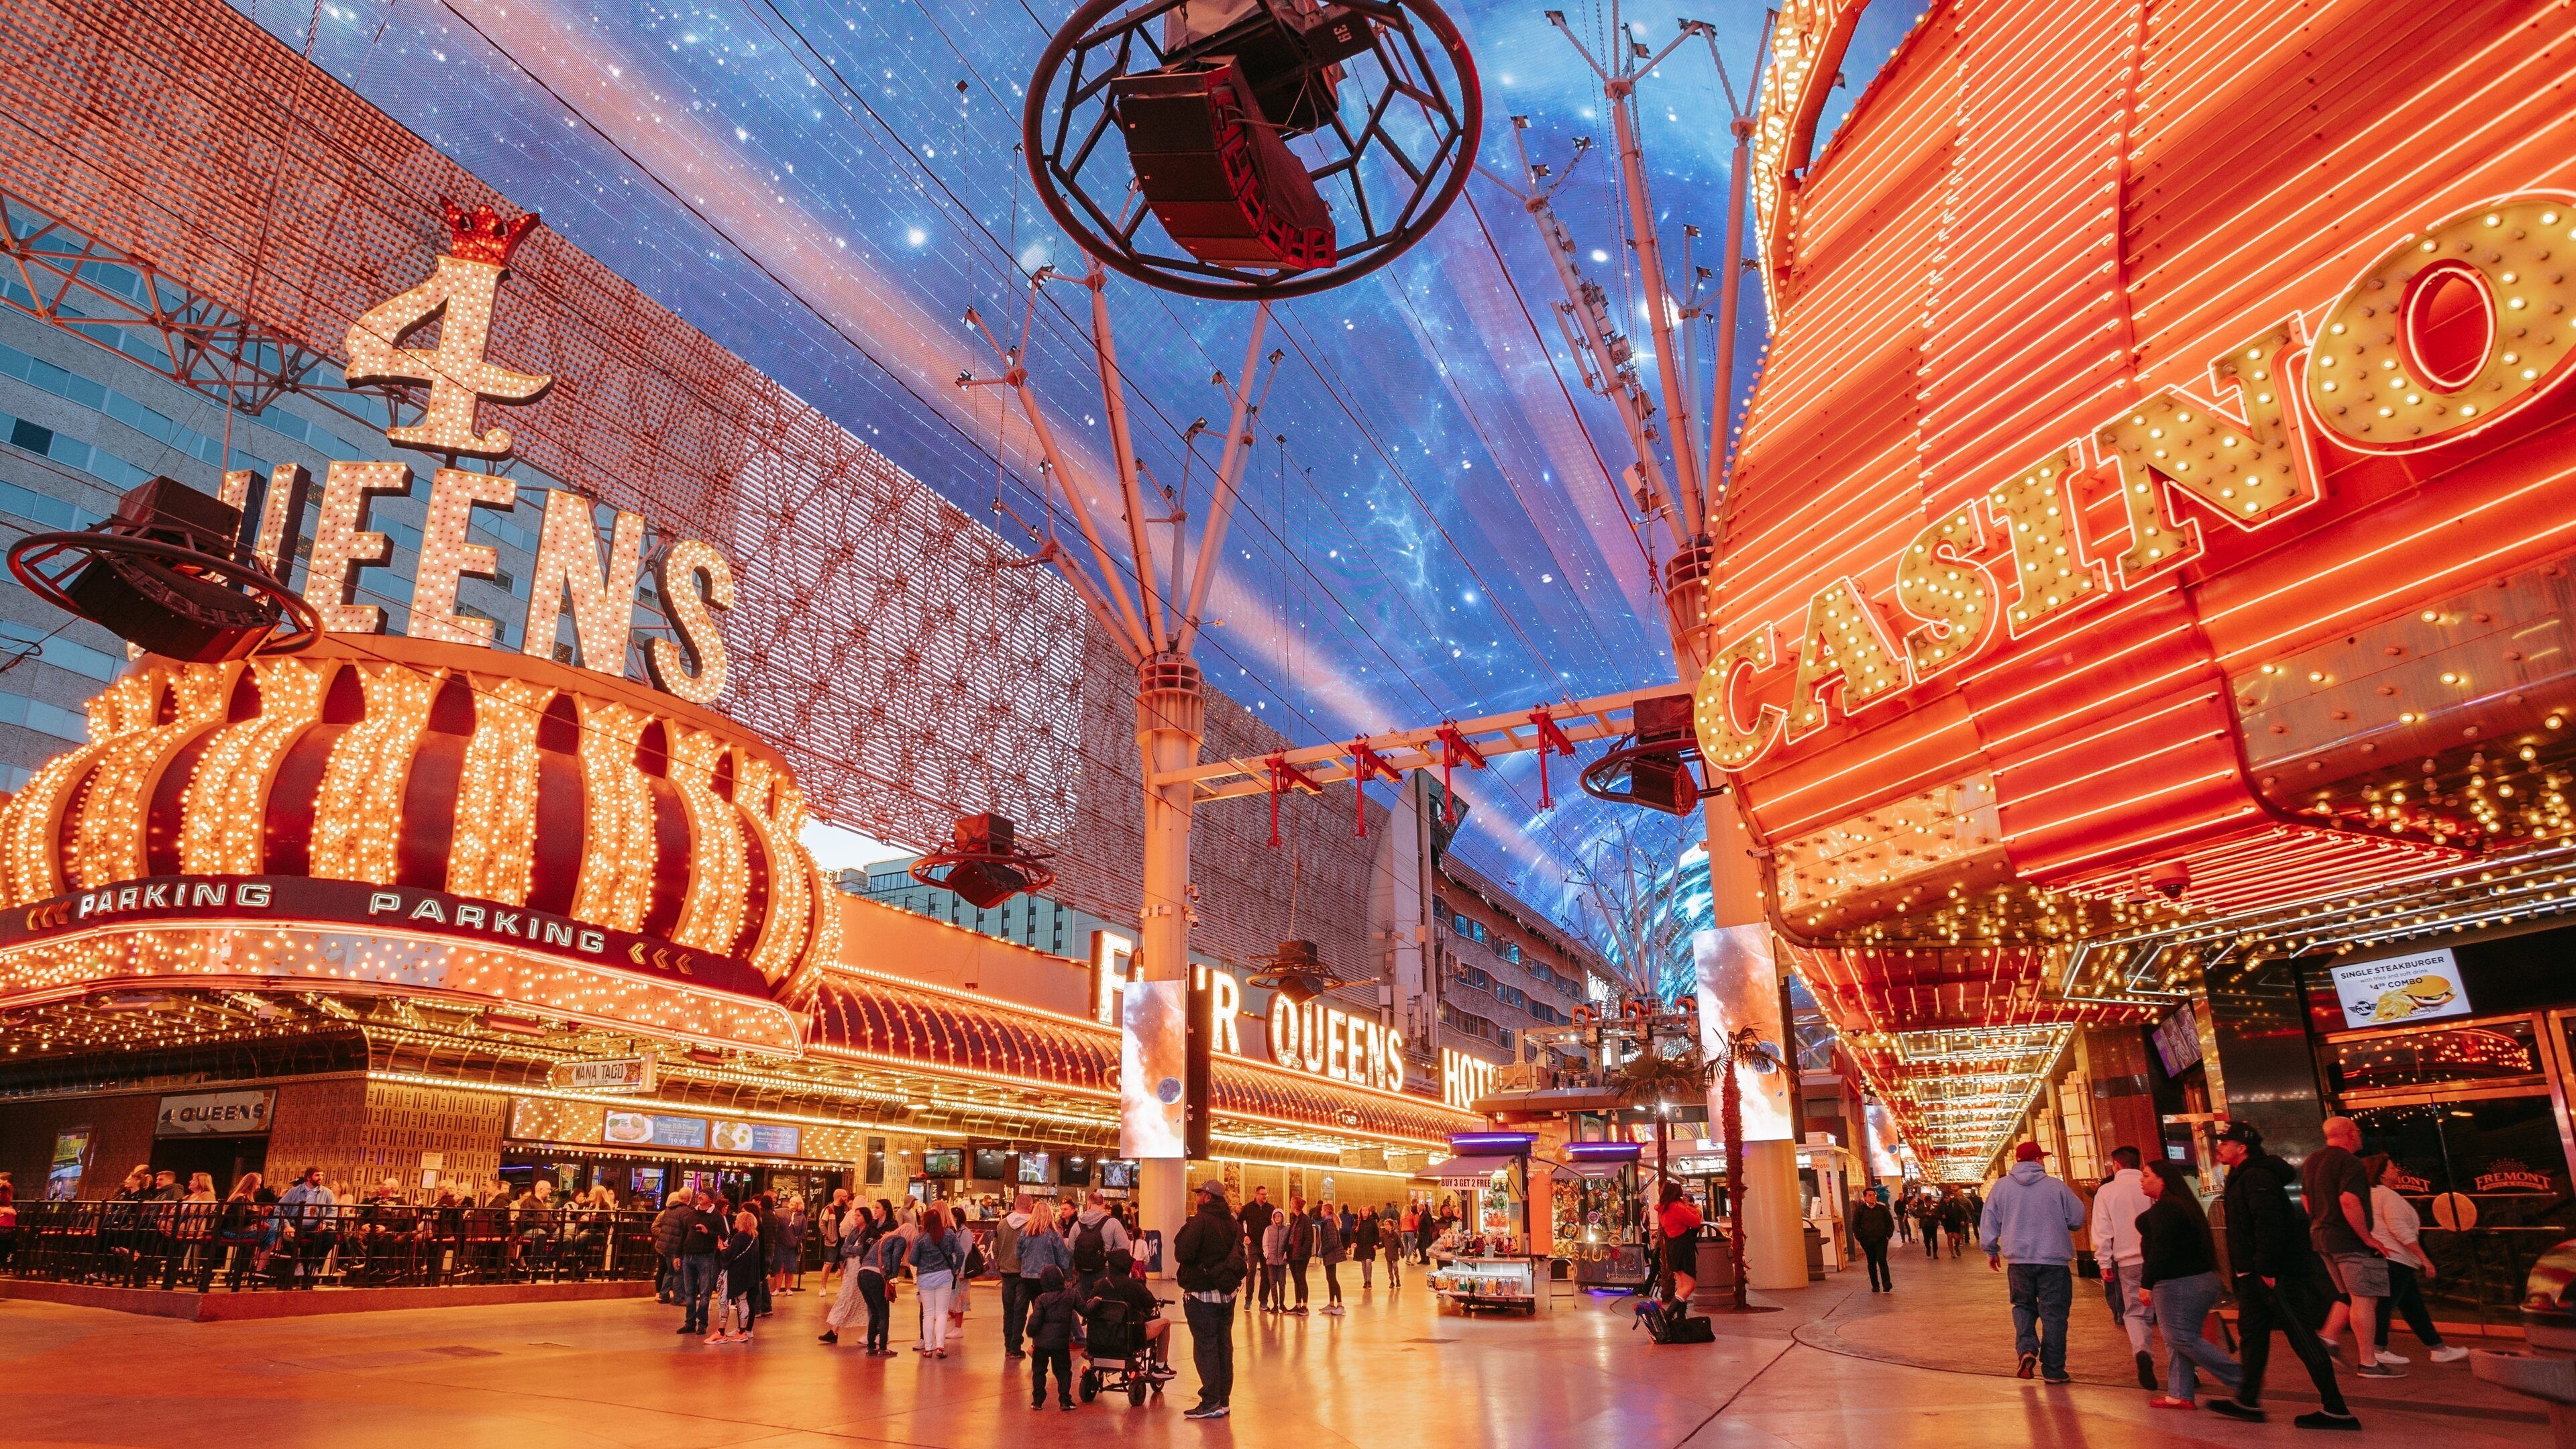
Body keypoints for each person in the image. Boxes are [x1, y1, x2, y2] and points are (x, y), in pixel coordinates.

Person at [2208, 1120, 2357, 1428]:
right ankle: (2247, 1401)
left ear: (2242, 1147)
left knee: (2302, 1337)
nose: (2219, 1147)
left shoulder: (2257, 1177)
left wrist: (2267, 1269)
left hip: (2274, 1275)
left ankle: (2337, 1409)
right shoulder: (2241, 1176)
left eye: (2224, 1142)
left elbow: (2269, 1223)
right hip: (2253, 1275)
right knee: (2252, 1337)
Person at [1978, 1141, 2088, 1385]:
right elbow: (2077, 1218)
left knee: (2023, 1306)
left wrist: (1991, 1250)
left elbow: (1989, 1221)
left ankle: (2026, 1349)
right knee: (2054, 1315)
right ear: (2039, 1160)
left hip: (2018, 1261)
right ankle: (2054, 1370)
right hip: (2054, 1262)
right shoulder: (2056, 1187)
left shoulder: (2002, 1187)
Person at [2135, 1159, 2239, 1410]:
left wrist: (2146, 1283)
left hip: (2178, 1283)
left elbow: (2162, 1248)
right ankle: (2180, 1393)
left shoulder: (2167, 1208)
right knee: (2178, 1339)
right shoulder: (2180, 1205)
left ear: (2163, 1179)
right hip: (2195, 1281)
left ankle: (2242, 1379)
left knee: (2180, 1337)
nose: (2142, 1179)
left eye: (2147, 1175)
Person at [2305, 1116, 2400, 1379]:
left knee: (2349, 1294)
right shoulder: (2351, 1163)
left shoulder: (2313, 1160)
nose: (2360, 1136)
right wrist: (2368, 1239)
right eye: (2357, 1131)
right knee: (2364, 1299)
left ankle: (2328, 1339)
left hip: (2322, 1239)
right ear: (2349, 1134)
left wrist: (2320, 1220)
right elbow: (2349, 1201)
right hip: (2348, 1241)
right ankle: (2369, 1362)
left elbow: (2305, 1197)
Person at [2364, 1153, 2468, 1364]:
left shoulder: (2368, 1195)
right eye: (2392, 1168)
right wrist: (2424, 1259)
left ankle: (2437, 1347)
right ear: (2382, 1174)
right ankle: (2378, 1348)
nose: (2397, 1171)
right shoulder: (2387, 1196)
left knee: (2413, 1306)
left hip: (2388, 1257)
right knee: (2386, 1304)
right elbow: (2400, 1230)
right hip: (2396, 1258)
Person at [1173, 1178, 1247, 1420]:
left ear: (1207, 1197)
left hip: (1202, 1294)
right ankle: (1223, 1400)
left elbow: (1182, 1252)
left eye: (1199, 1195)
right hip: (1227, 1293)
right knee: (1224, 1345)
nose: (1197, 1199)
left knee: (1205, 1346)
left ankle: (1210, 1401)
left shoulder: (1201, 1221)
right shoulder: (1233, 1222)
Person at [2092, 1145, 2158, 1390]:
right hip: (2157, 1258)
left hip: (2127, 1261)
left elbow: (2102, 1230)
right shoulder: (2150, 1186)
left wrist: (2104, 1262)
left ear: (2116, 1165)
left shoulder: (2106, 1191)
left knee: (2134, 1312)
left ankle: (2142, 1351)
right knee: (2168, 1314)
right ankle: (2186, 1369)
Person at [911, 1203, 970, 1358]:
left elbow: (912, 1259)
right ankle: (940, 1347)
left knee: (928, 1314)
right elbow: (960, 1253)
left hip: (925, 1278)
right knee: (942, 1313)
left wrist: (924, 1264)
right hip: (945, 1276)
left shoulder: (920, 1238)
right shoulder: (949, 1234)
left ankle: (928, 1348)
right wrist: (956, 1269)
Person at [1024, 1264, 1083, 1410]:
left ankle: (1037, 1401)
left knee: (1039, 1371)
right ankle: (1065, 1400)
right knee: (1063, 1371)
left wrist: (1031, 1332)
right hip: (1060, 1342)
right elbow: (1085, 1310)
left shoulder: (1041, 1299)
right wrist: (1095, 1302)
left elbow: (1034, 1321)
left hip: (1041, 1344)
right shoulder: (1070, 1295)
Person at [853, 1210, 906, 1355]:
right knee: (883, 1313)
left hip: (862, 1274)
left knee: (874, 1313)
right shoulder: (900, 1240)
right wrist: (892, 1277)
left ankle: (871, 1347)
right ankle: (883, 1348)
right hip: (876, 1276)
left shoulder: (881, 1239)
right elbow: (895, 1258)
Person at [276, 1165, 337, 1288]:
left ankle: (314, 1265)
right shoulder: (294, 1191)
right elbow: (280, 1208)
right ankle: (295, 1268)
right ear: (308, 1177)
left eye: (322, 1175)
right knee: (287, 1240)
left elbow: (333, 1210)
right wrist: (287, 1226)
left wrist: (325, 1222)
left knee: (330, 1237)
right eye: (317, 1175)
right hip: (296, 1225)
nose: (321, 1178)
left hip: (316, 1226)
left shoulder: (327, 1192)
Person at [709, 1207, 761, 1344]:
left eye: (737, 1220)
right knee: (743, 1301)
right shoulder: (753, 1237)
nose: (735, 1221)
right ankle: (743, 1331)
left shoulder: (739, 1237)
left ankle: (721, 1332)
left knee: (723, 1300)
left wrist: (722, 1249)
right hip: (746, 1274)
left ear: (743, 1222)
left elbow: (729, 1255)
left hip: (734, 1274)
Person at [677, 1191, 722, 1336]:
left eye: (704, 1194)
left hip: (705, 1257)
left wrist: (707, 1232)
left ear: (711, 1199)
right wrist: (678, 1255)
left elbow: (724, 1235)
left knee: (704, 1293)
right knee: (689, 1292)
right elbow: (684, 1234)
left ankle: (702, 1324)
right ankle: (689, 1322)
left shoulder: (716, 1216)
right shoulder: (692, 1213)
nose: (700, 1196)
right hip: (688, 1256)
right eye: (700, 1194)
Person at [1069, 1191, 1130, 1300]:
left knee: (1086, 1305)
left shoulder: (1077, 1225)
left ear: (1088, 1205)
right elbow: (1125, 1248)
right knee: (1102, 1304)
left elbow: (1071, 1249)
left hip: (1083, 1272)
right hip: (1105, 1270)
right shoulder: (1113, 1223)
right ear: (1103, 1205)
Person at [992, 1193, 1032, 1358]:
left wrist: (999, 1262)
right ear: (1030, 1206)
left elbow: (995, 1247)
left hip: (1006, 1273)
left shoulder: (1002, 1224)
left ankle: (1008, 1345)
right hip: (1024, 1273)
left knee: (1008, 1311)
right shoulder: (1031, 1225)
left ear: (1015, 1204)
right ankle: (1016, 1346)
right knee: (1020, 1311)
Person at [1656, 1181, 1703, 1311]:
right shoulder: (1677, 1207)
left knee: (1681, 1285)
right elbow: (1695, 1222)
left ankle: (1680, 1318)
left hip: (1672, 1246)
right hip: (1683, 1245)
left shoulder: (1663, 1209)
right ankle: (1669, 1315)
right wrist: (1691, 1208)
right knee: (1689, 1285)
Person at [1849, 1185, 1896, 1292]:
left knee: (1882, 1260)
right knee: (1871, 1263)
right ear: (1865, 1198)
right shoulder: (1860, 1210)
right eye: (1870, 1195)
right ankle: (1875, 1285)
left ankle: (1886, 1283)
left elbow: (1890, 1223)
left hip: (1881, 1240)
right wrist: (1861, 1238)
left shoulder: (1882, 1209)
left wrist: (1888, 1236)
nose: (1872, 1197)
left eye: (1874, 1195)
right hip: (1867, 1241)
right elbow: (1855, 1225)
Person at [652, 1190, 694, 1305]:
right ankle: (679, 1298)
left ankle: (663, 1295)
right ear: (688, 1199)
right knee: (678, 1272)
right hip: (676, 1246)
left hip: (665, 1246)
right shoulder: (685, 1211)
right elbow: (687, 1229)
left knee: (669, 1271)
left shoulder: (668, 1210)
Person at [1285, 1194, 1314, 1314]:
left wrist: (1302, 1252)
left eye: (1291, 1203)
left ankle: (1305, 1306)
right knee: (1296, 1279)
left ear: (1296, 1205)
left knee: (1301, 1278)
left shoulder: (1306, 1220)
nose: (1290, 1205)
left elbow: (1309, 1239)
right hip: (1293, 1253)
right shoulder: (1294, 1219)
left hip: (1301, 1255)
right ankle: (1298, 1304)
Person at [1314, 1201, 1345, 1315]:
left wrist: (1323, 1250)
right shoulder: (1327, 1223)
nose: (1321, 1212)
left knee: (1332, 1279)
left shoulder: (1329, 1224)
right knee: (1330, 1278)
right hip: (1330, 1255)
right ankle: (1332, 1304)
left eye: (1322, 1210)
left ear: (1326, 1211)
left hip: (1332, 1255)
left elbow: (1333, 1242)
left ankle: (1340, 1305)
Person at [1353, 1207, 1381, 1289]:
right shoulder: (1357, 1222)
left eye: (1366, 1210)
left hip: (1370, 1245)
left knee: (1368, 1262)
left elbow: (1376, 1233)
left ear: (1369, 1212)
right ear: (1361, 1212)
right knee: (1363, 1264)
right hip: (1360, 1246)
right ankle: (1365, 1281)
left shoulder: (1372, 1222)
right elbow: (1353, 1233)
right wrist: (1353, 1242)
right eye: (1363, 1210)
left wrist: (1376, 1244)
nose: (1365, 1212)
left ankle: (1369, 1280)